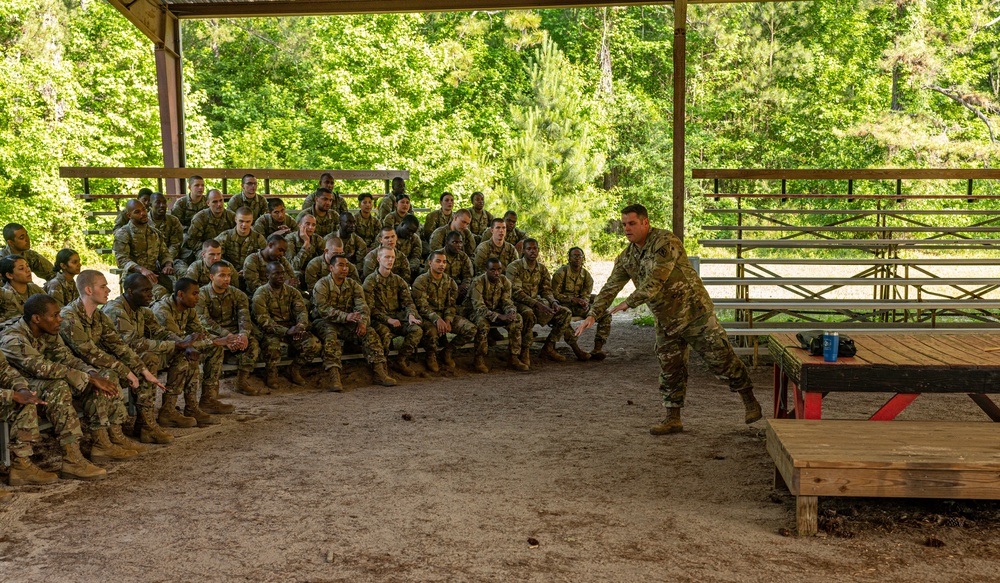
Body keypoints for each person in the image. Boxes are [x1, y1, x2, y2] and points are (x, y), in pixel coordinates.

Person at [575, 204, 762, 435]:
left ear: (645, 223)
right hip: (666, 320)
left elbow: (657, 280)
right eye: (624, 224)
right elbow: (611, 286)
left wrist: (630, 302)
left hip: (694, 313)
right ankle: (673, 418)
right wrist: (594, 313)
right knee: (670, 367)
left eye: (632, 223)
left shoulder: (665, 242)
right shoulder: (627, 256)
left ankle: (749, 400)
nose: (626, 229)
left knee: (721, 359)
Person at [2, 295, 122, 482]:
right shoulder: (12, 339)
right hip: (30, 382)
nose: (61, 319)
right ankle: (70, 459)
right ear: (36, 318)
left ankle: (102, 440)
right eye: (55, 315)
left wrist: (92, 373)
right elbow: (41, 367)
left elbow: (66, 358)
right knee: (58, 386)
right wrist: (87, 378)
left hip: (27, 384)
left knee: (103, 376)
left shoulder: (48, 331)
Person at [60, 270, 165, 446]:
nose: (108, 290)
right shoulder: (68, 317)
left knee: (141, 362)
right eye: (103, 286)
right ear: (88, 290)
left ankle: (135, 428)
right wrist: (127, 372)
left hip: (93, 369)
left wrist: (142, 370)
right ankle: (105, 441)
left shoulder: (99, 316)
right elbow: (89, 352)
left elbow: (118, 345)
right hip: (74, 372)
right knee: (110, 374)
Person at [103, 274, 202, 434]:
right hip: (114, 362)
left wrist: (184, 346)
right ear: (130, 291)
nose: (151, 294)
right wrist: (178, 344)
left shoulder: (143, 311)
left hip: (132, 360)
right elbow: (133, 343)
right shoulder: (116, 310)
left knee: (181, 355)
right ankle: (145, 424)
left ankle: (168, 411)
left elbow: (160, 332)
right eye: (145, 290)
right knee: (149, 358)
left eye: (151, 289)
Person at [152, 277, 235, 421]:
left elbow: (200, 333)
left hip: (177, 347)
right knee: (187, 356)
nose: (198, 297)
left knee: (214, 350)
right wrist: (215, 342)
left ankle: (205, 401)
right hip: (157, 351)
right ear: (180, 294)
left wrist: (217, 341)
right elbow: (178, 342)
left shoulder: (188, 309)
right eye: (194, 294)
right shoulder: (163, 311)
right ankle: (168, 410)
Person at [312, 254, 394, 390]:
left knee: (369, 332)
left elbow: (363, 307)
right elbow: (323, 310)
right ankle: (334, 376)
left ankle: (379, 371)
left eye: (346, 265)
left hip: (347, 322)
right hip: (324, 322)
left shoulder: (353, 285)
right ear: (331, 268)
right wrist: (346, 316)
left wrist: (362, 322)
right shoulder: (322, 285)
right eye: (340, 265)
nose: (345, 268)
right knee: (330, 334)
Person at [507, 238, 590, 363]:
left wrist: (553, 302)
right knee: (528, 314)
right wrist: (537, 304)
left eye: (535, 248)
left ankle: (549, 347)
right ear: (523, 251)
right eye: (529, 249)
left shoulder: (542, 269)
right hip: (518, 303)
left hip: (538, 302)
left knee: (564, 312)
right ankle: (525, 351)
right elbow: (516, 292)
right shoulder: (514, 267)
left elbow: (546, 290)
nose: (532, 252)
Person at [196, 261, 261, 396]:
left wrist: (243, 335)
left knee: (253, 344)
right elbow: (204, 321)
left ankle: (241, 381)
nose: (226, 279)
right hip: (212, 333)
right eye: (222, 275)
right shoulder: (201, 294)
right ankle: (211, 387)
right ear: (212, 277)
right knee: (212, 346)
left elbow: (244, 318)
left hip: (232, 333)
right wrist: (227, 336)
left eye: (229, 275)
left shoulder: (238, 294)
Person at [252, 262, 321, 389]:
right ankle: (271, 372)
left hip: (293, 328)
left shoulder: (292, 292)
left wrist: (301, 326)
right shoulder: (260, 294)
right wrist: (286, 331)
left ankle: (294, 369)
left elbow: (301, 311)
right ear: (268, 275)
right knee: (272, 347)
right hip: (272, 330)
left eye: (282, 273)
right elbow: (264, 321)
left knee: (313, 344)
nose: (281, 276)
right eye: (276, 273)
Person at [412, 250, 477, 373]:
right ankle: (431, 355)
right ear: (430, 263)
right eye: (438, 261)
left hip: (445, 316)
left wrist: (447, 320)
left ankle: (447, 351)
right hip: (427, 317)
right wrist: (437, 319)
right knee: (432, 332)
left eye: (444, 262)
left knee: (471, 329)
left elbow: (451, 306)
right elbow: (422, 307)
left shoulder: (450, 282)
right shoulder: (420, 281)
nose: (442, 265)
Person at [363, 247, 423, 377]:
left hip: (397, 318)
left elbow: (408, 302)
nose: (390, 260)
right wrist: (388, 320)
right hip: (379, 320)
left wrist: (411, 315)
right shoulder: (370, 281)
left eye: (392, 257)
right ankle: (381, 366)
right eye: (387, 257)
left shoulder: (398, 280)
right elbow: (369, 309)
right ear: (379, 259)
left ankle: (400, 361)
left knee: (416, 330)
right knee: (384, 334)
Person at [465, 257, 528, 372]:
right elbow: (479, 307)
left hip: (494, 310)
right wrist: (499, 316)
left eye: (499, 269)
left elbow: (507, 301)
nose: (496, 273)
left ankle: (513, 357)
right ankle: (479, 358)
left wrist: (510, 312)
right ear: (486, 270)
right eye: (492, 270)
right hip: (474, 312)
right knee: (482, 324)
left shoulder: (504, 281)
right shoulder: (478, 282)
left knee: (517, 319)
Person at [552, 247, 609, 360]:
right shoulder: (561, 273)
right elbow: (553, 293)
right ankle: (577, 350)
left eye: (580, 256)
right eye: (575, 256)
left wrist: (585, 302)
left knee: (605, 314)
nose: (577, 258)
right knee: (564, 315)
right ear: (569, 258)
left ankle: (597, 349)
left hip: (579, 305)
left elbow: (587, 293)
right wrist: (572, 299)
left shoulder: (586, 275)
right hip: (564, 304)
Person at [113, 199, 174, 295]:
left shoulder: (154, 233)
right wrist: (142, 270)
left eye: (144, 210)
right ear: (129, 216)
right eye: (137, 212)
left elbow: (164, 253)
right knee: (160, 294)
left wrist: (168, 265)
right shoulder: (124, 233)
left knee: (180, 288)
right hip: (134, 277)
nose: (143, 213)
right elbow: (122, 260)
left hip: (154, 275)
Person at [183, 189, 236, 261]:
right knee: (208, 259)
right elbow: (192, 241)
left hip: (226, 249)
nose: (219, 204)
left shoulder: (231, 216)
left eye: (221, 200)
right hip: (205, 249)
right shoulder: (200, 218)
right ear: (208, 203)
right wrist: (210, 249)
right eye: (215, 202)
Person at [216, 207, 267, 275]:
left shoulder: (259, 239)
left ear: (252, 221)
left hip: (251, 274)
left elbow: (265, 259)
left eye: (247, 221)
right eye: (241, 221)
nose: (244, 225)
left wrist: (249, 269)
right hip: (227, 274)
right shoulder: (225, 236)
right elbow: (214, 256)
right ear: (236, 219)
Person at [148, 191, 188, 274]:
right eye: (158, 203)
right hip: (148, 261)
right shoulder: (144, 222)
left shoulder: (173, 221)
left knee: (184, 273)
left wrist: (167, 262)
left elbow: (175, 245)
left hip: (172, 258)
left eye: (164, 202)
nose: (162, 205)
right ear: (150, 205)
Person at [285, 213, 322, 283]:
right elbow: (293, 266)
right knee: (296, 274)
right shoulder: (290, 239)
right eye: (307, 224)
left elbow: (324, 260)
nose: (311, 227)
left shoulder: (318, 239)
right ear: (299, 225)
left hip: (312, 270)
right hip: (298, 272)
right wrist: (306, 243)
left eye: (313, 225)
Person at [440, 231, 475, 306]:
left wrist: (463, 287)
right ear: (447, 242)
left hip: (459, 289)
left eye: (460, 242)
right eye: (455, 242)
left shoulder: (463, 257)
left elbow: (468, 276)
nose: (459, 245)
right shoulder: (438, 256)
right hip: (440, 288)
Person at [394, 215, 423, 282]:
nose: (410, 234)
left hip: (407, 268)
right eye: (409, 230)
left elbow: (415, 256)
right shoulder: (387, 235)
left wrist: (410, 267)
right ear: (402, 224)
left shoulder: (415, 239)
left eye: (413, 232)